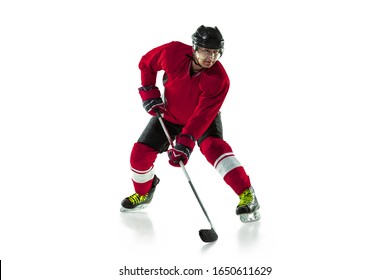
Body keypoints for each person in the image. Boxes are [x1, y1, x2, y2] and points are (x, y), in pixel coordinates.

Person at [120, 25, 260, 222]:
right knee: (139, 155)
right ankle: (144, 192)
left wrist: (185, 144)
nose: (210, 58)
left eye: (215, 53)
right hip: (169, 115)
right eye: (205, 51)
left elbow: (202, 116)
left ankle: (248, 195)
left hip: (202, 120)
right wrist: (149, 89)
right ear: (194, 48)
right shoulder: (172, 52)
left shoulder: (219, 80)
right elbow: (146, 63)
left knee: (214, 148)